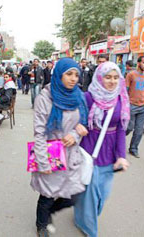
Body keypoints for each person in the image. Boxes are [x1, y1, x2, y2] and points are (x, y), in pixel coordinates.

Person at [31, 58, 88, 236]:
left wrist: (77, 134)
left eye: (76, 75)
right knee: (47, 194)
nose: (73, 79)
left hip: (72, 153)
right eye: (69, 74)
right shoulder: (45, 98)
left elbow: (83, 124)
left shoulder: (78, 95)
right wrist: (43, 162)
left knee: (75, 193)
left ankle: (49, 213)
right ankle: (41, 224)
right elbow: (39, 132)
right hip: (51, 151)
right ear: (59, 75)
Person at [74, 61, 130, 237]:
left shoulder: (120, 98)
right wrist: (76, 126)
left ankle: (81, 213)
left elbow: (121, 128)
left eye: (115, 77)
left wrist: (121, 155)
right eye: (108, 77)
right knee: (90, 193)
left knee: (102, 195)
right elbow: (75, 119)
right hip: (90, 148)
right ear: (99, 78)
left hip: (110, 151)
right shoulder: (88, 97)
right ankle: (89, 228)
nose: (112, 81)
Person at [126, 56, 144, 158]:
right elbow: (125, 90)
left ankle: (133, 148)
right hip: (131, 105)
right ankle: (117, 139)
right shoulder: (130, 75)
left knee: (139, 130)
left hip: (143, 107)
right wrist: (126, 103)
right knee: (129, 127)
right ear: (138, 63)